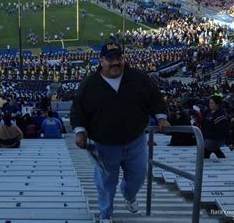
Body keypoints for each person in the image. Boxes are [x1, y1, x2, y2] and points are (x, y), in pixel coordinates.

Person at [70, 41, 169, 220]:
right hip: (105, 144)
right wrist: (79, 131)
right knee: (106, 184)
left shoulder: (138, 77)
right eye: (110, 59)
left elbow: (155, 98)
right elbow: (78, 110)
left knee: (138, 177)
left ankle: (128, 195)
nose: (115, 62)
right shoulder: (90, 83)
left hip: (135, 140)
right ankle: (105, 214)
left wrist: (161, 117)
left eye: (118, 58)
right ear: (101, 61)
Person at [202, 94, 229, 159]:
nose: (210, 104)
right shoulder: (209, 112)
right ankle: (222, 159)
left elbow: (223, 130)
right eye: (209, 103)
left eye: (212, 103)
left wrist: (228, 142)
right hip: (208, 137)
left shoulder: (220, 116)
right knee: (215, 150)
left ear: (217, 104)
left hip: (214, 139)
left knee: (204, 152)